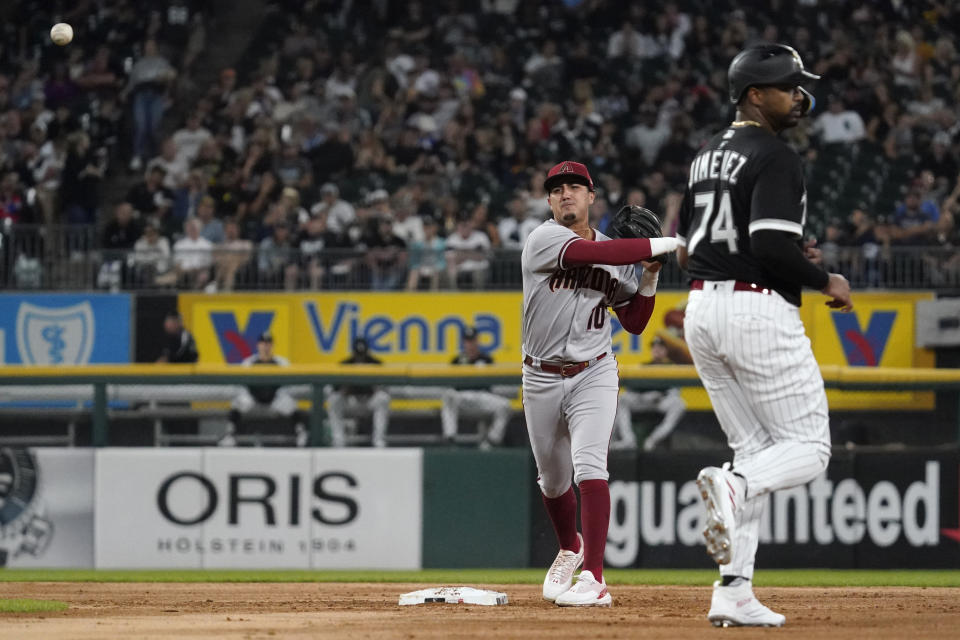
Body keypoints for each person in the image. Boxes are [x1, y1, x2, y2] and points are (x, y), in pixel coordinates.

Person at [676, 44, 854, 628]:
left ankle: (733, 591)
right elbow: (772, 245)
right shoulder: (774, 154)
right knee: (808, 450)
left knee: (755, 451)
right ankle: (731, 486)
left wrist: (782, 255)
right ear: (755, 95)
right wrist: (824, 276)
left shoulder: (705, 156)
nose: (799, 95)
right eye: (787, 86)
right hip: (755, 312)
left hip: (702, 309)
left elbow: (689, 249)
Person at [522, 160, 679, 607]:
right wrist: (661, 243)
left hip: (594, 369)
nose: (565, 194)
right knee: (552, 481)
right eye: (557, 189)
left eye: (575, 187)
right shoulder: (544, 238)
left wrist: (649, 273)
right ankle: (569, 547)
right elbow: (591, 256)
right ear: (549, 200)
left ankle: (594, 575)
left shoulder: (619, 252)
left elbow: (633, 322)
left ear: (592, 198)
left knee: (590, 465)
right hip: (540, 375)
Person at [220, 332, 307, 448]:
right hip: (253, 400)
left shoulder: (281, 362)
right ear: (258, 345)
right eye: (263, 343)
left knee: (291, 404)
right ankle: (229, 436)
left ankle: (301, 434)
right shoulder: (249, 362)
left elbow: (288, 387)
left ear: (272, 345)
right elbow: (242, 386)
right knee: (237, 402)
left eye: (268, 343)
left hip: (275, 400)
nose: (265, 346)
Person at [610, 336, 688, 452]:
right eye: (655, 347)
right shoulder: (644, 366)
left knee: (679, 404)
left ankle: (653, 439)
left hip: (661, 402)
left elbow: (675, 391)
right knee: (622, 399)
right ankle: (628, 440)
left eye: (660, 348)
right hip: (643, 401)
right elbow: (631, 389)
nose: (657, 350)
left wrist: (660, 394)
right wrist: (644, 396)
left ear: (665, 351)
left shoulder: (671, 367)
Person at [440, 326, 513, 449]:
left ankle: (492, 441)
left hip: (482, 397)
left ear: (477, 341)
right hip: (462, 398)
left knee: (505, 405)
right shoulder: (457, 360)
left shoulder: (486, 359)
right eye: (468, 341)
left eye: (473, 340)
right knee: (448, 396)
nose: (470, 344)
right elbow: (450, 386)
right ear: (464, 342)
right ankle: (450, 438)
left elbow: (494, 386)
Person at [326, 337, 391, 448]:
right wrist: (344, 389)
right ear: (353, 353)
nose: (360, 358)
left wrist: (375, 388)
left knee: (383, 398)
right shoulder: (345, 364)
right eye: (358, 355)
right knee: (334, 400)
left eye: (363, 355)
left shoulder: (376, 364)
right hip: (351, 402)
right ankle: (338, 440)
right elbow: (334, 389)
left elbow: (385, 388)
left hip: (369, 402)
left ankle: (379, 440)